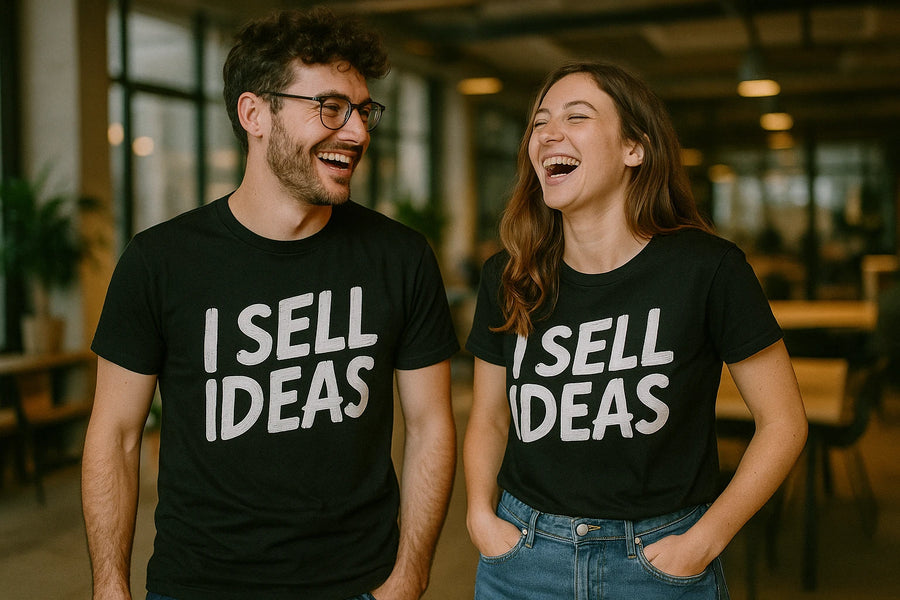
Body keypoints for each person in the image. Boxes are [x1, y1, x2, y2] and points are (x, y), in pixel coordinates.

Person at [82, 8, 459, 600]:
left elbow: (431, 425)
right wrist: (110, 586)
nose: (357, 132)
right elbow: (116, 434)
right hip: (199, 583)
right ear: (254, 113)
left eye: (363, 111)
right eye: (330, 108)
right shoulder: (160, 261)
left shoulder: (401, 257)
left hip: (357, 583)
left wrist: (409, 576)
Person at [463, 61, 808, 599]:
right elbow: (488, 418)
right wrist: (480, 517)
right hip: (523, 561)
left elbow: (783, 422)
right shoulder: (509, 274)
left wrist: (703, 541)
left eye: (577, 116)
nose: (548, 133)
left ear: (635, 149)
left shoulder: (708, 269)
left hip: (658, 563)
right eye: (539, 122)